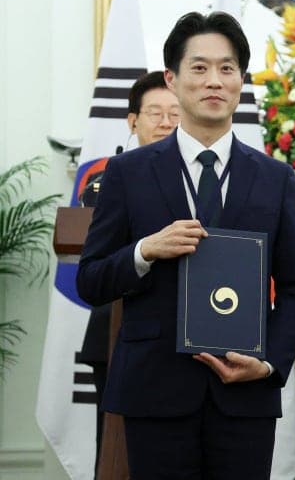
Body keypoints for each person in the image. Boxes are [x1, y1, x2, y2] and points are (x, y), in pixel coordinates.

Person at [76, 11, 295, 479]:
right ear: (172, 78)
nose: (214, 81)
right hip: (155, 389)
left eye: (227, 69)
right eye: (200, 67)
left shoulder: (275, 178)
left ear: (241, 80)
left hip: (245, 394)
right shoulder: (127, 173)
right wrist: (145, 251)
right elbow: (90, 279)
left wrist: (267, 365)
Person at [76, 70, 180, 477]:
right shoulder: (106, 180)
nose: (165, 122)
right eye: (155, 112)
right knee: (114, 448)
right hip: (114, 332)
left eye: (174, 112)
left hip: (181, 336)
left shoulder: (196, 178)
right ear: (132, 120)